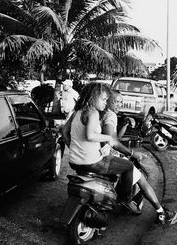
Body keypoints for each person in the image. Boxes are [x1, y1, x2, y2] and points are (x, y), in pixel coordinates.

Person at [62, 84, 169, 224]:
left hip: (75, 160)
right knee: (129, 167)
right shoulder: (97, 113)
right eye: (106, 99)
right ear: (94, 98)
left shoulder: (77, 112)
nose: (110, 103)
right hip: (93, 161)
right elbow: (95, 136)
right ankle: (124, 200)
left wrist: (75, 149)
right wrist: (111, 140)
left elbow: (64, 131)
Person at [101, 90, 171, 223]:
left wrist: (125, 125)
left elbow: (116, 138)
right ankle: (160, 212)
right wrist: (132, 153)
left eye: (121, 102)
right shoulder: (110, 115)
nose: (119, 105)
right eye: (116, 101)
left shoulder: (103, 114)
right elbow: (113, 143)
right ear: (108, 101)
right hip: (110, 156)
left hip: (107, 154)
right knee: (143, 179)